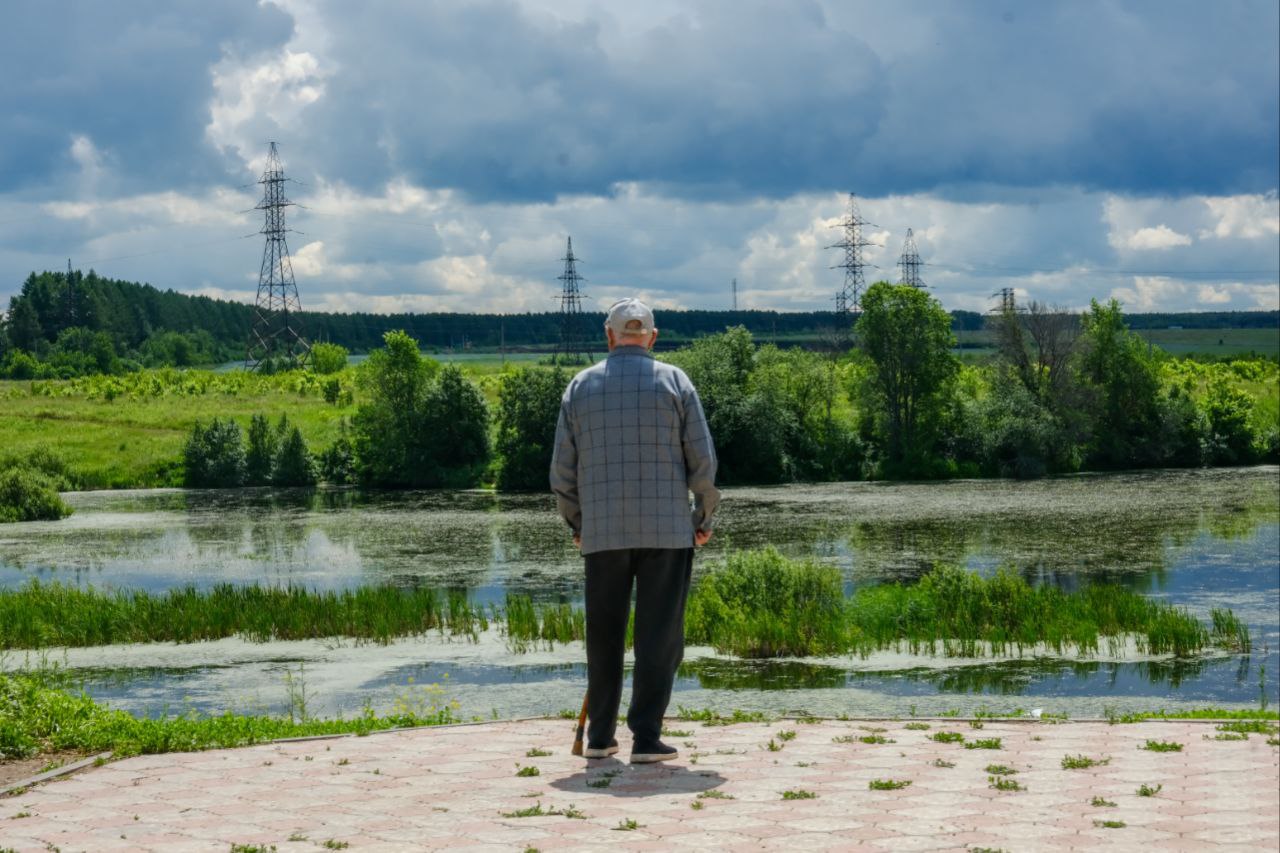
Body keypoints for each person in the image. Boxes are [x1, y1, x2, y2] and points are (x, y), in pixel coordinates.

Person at [550, 297, 719, 763]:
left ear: (609, 337)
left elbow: (562, 473)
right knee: (658, 636)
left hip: (602, 532)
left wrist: (578, 523)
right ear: (653, 337)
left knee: (603, 635)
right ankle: (646, 737)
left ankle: (600, 738)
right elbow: (701, 461)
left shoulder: (580, 386)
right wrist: (703, 517)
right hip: (667, 532)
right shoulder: (674, 381)